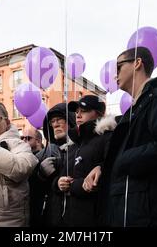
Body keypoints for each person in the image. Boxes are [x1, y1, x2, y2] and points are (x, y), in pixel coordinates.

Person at [84, 47, 157, 227]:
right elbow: (134, 147)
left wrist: (122, 160)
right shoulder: (134, 109)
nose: (114, 75)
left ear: (137, 64)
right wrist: (103, 167)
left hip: (148, 216)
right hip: (128, 212)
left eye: (118, 67)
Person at [51, 95, 116, 226]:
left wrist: (73, 185)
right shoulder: (73, 144)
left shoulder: (108, 138)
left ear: (99, 114)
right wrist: (58, 183)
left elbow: (111, 172)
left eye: (84, 111)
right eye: (76, 112)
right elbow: (60, 177)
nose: (78, 115)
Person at [29, 103, 76, 227]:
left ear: (71, 120)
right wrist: (40, 174)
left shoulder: (82, 148)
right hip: (51, 217)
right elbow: (30, 191)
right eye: (52, 121)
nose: (55, 124)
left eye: (60, 119)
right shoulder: (43, 154)